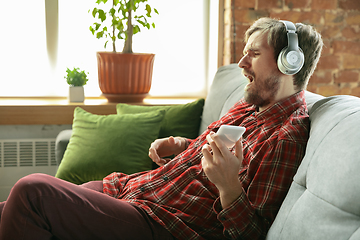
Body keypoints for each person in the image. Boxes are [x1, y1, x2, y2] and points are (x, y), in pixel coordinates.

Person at [0, 17, 323, 240]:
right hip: (134, 192)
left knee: (33, 192)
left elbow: (250, 233)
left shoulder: (285, 136)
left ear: (288, 63)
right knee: (6, 209)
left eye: (253, 54)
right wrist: (183, 145)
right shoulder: (250, 105)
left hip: (160, 224)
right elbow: (208, 149)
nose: (242, 64)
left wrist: (229, 187)